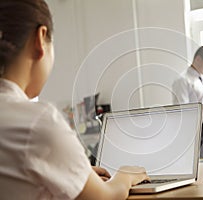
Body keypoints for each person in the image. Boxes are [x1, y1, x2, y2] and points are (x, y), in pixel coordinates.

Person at [0, 1, 149, 200]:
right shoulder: (37, 122)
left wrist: (75, 174)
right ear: (40, 38)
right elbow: (106, 197)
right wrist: (125, 176)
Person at [172, 46, 203, 158]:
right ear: (198, 59)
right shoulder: (182, 80)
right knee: (200, 168)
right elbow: (181, 109)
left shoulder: (200, 79)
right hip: (194, 131)